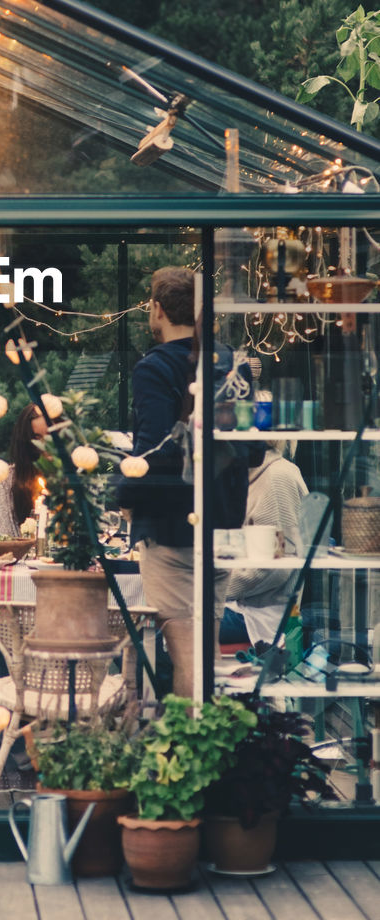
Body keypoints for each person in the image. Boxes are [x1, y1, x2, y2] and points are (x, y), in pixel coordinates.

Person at [116, 266, 247, 698]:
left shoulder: (154, 369)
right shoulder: (226, 361)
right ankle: (211, 753)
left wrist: (122, 489)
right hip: (223, 525)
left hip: (173, 528)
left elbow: (154, 451)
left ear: (157, 309)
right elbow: (249, 446)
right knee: (204, 654)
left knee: (187, 656)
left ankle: (194, 761)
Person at [220, 442, 308, 647]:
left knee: (170, 626)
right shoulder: (245, 475)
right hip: (240, 604)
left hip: (258, 614)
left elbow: (273, 568)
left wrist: (214, 586)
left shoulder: (275, 477)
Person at [0, 403, 48, 538]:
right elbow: (0, 535)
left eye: (50, 435)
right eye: (38, 437)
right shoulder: (9, 478)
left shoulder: (73, 477)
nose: (46, 445)